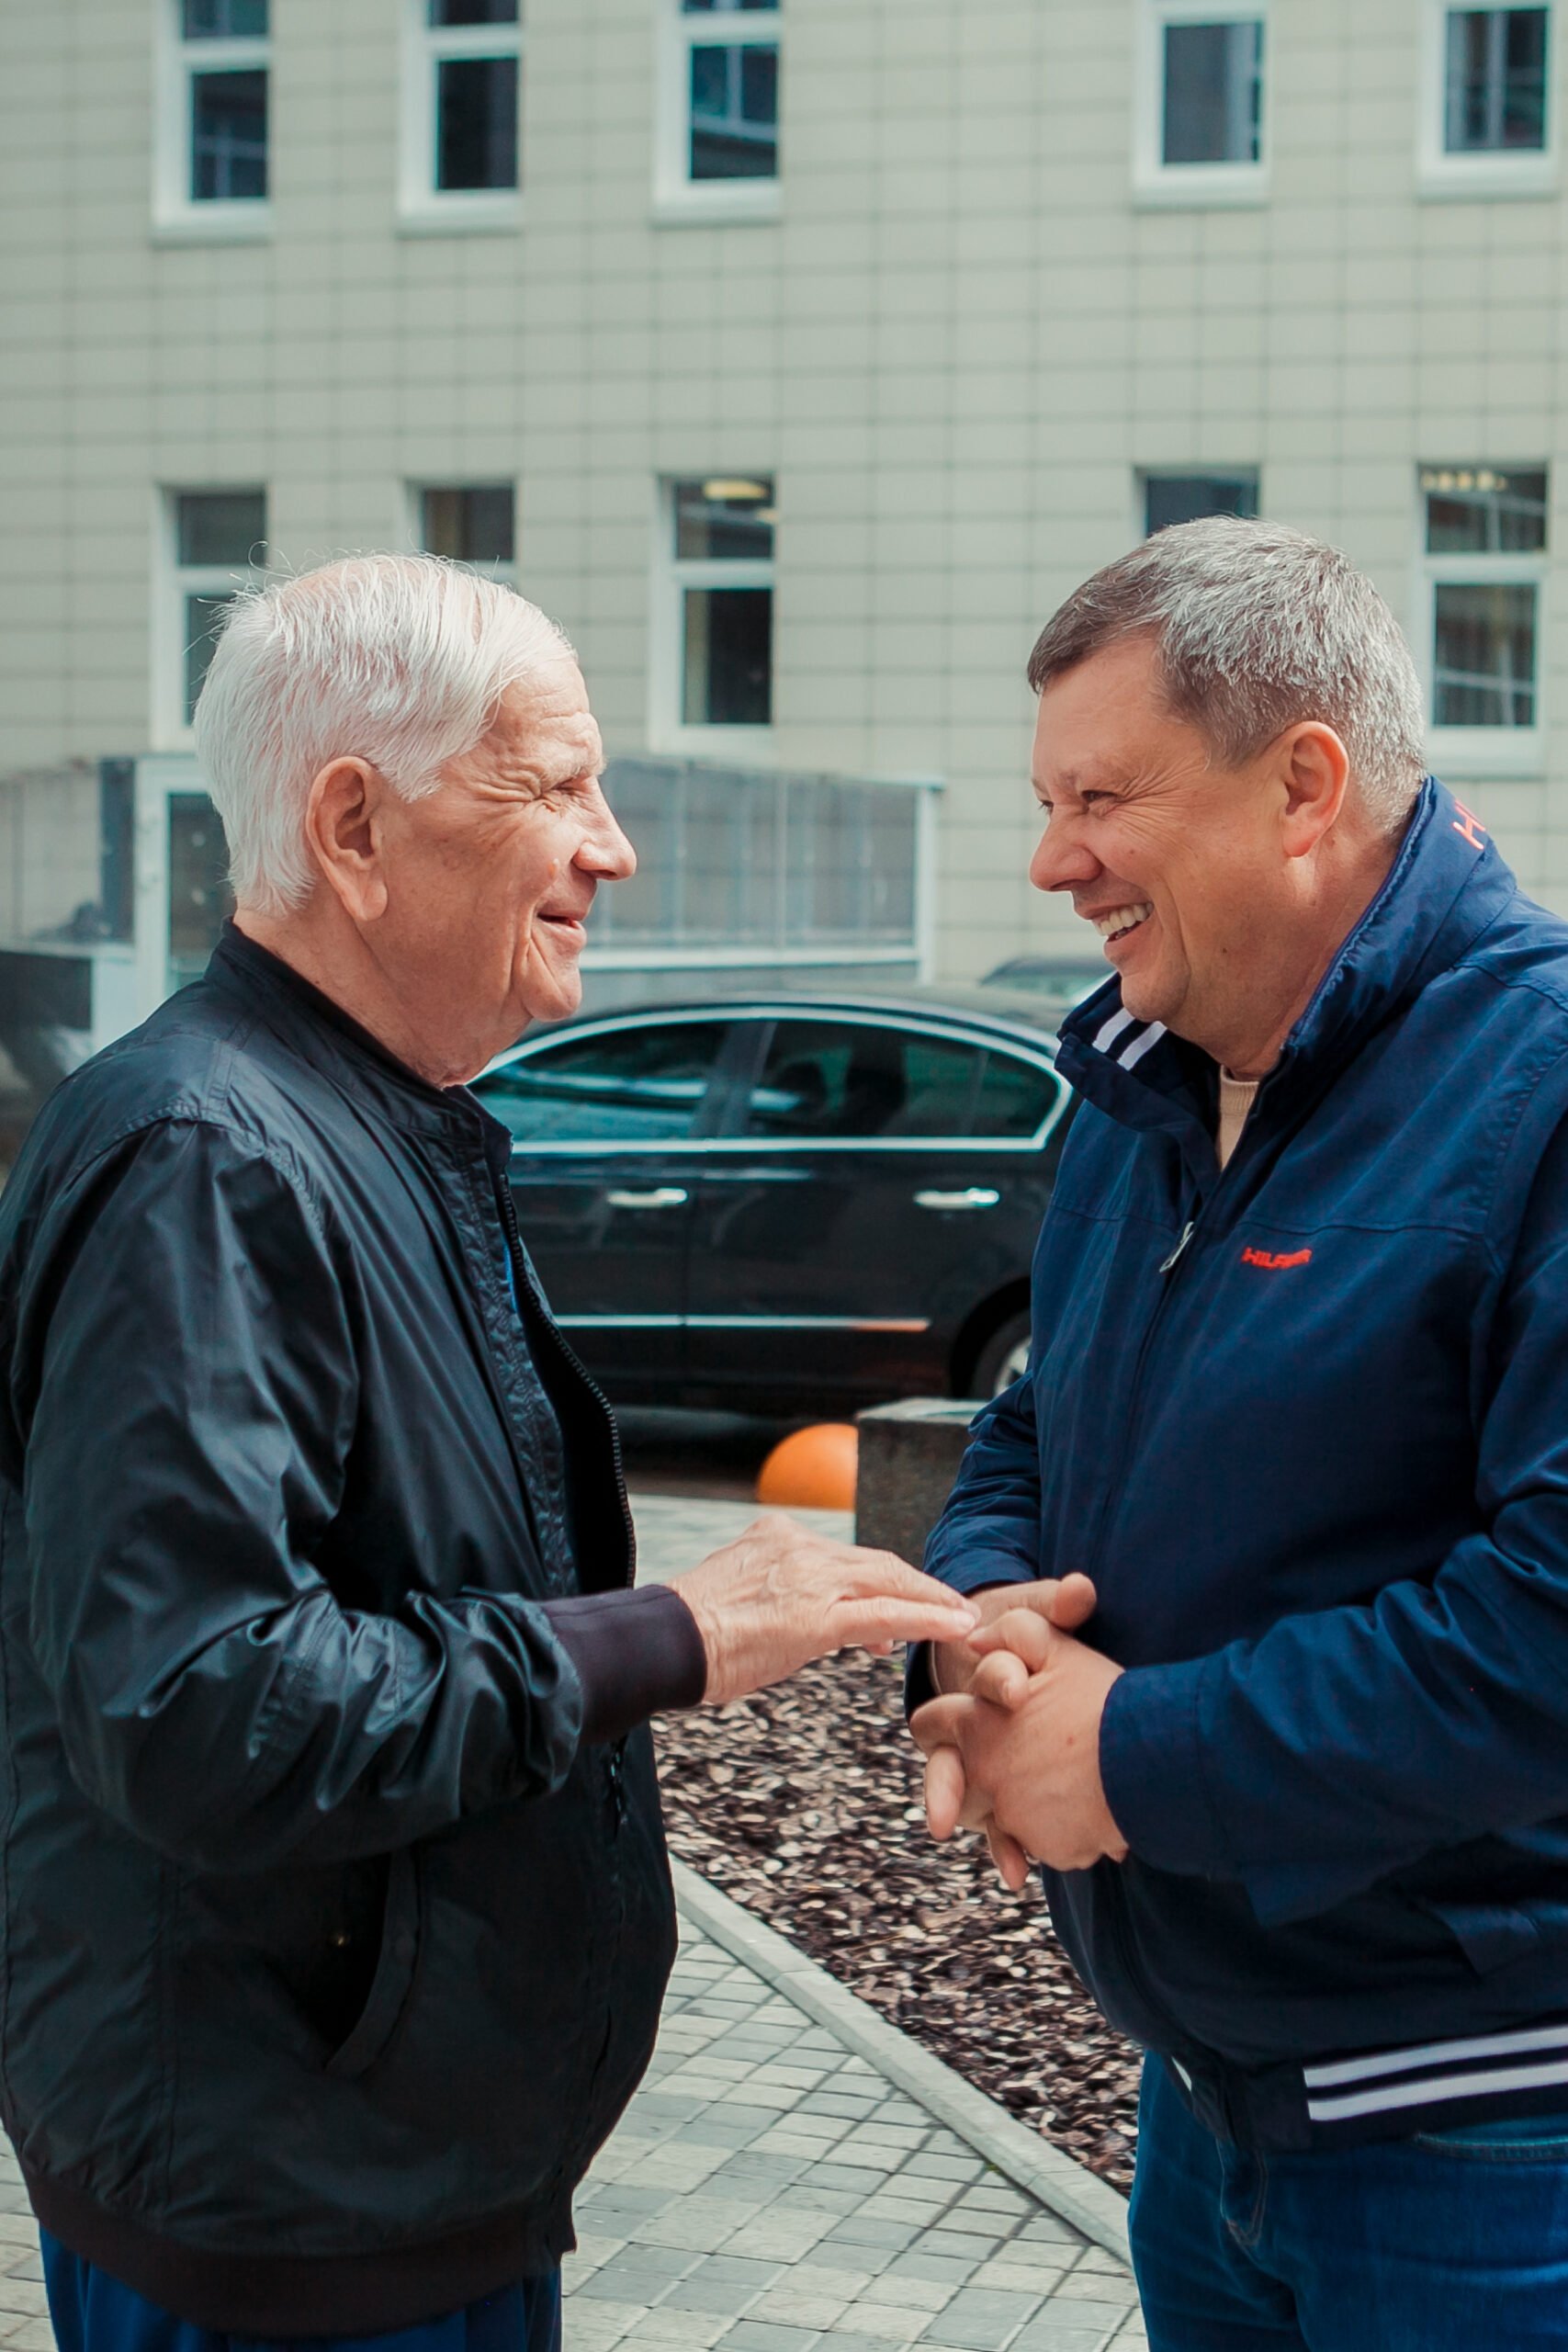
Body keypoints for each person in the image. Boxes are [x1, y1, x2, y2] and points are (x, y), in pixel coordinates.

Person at [0, 554, 977, 2352]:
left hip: (384, 2183)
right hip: (287, 2227)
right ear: (354, 827)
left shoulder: (358, 1117)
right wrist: (671, 1633)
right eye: (555, 785)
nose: (613, 847)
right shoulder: (212, 1157)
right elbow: (195, 1707)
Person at [908, 516, 1568, 2349]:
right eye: (1046, 803)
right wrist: (983, 1625)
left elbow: (1551, 1618)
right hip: (1205, 2113)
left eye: (1099, 798)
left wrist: (1132, 1755)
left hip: (1487, 2154)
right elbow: (1027, 1431)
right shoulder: (1152, 1083)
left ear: (1301, 785)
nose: (1052, 861)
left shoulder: (1539, 1086)